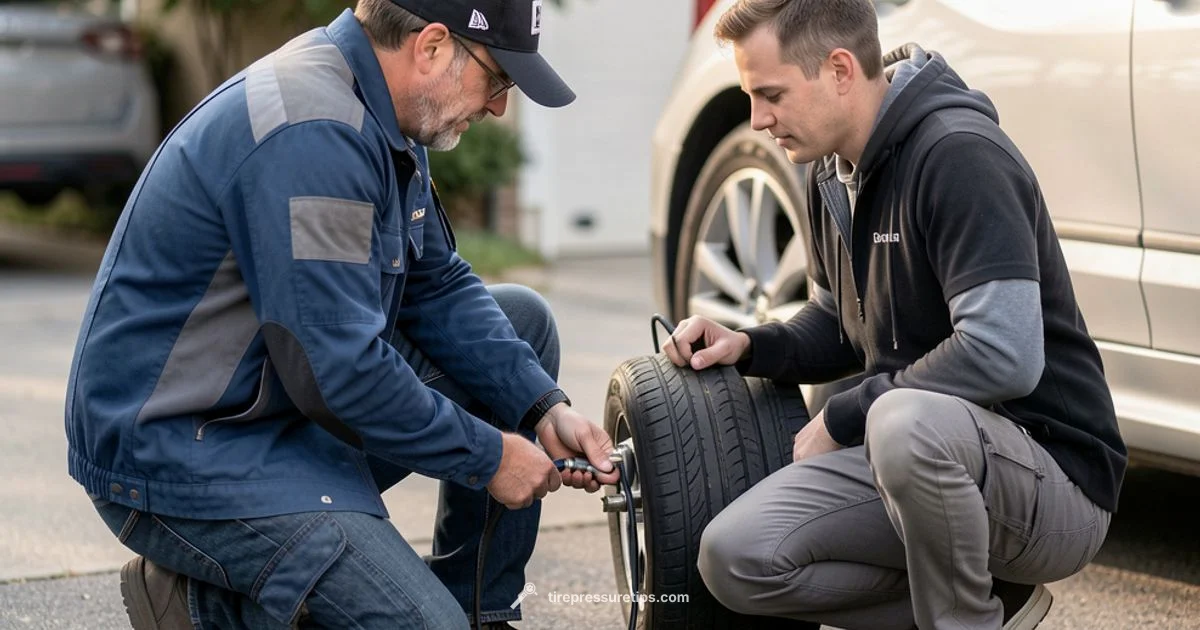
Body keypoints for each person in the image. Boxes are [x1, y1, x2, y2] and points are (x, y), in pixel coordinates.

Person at [65, 1, 619, 628]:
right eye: (498, 80)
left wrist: (542, 407)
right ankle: (204, 608)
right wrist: (490, 456)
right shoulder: (315, 134)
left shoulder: (382, 109)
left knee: (521, 321)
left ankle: (479, 613)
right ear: (432, 47)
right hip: (188, 447)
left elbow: (435, 285)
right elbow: (343, 373)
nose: (498, 107)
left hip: (277, 404)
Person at [662, 1, 1127, 628]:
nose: (757, 119)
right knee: (735, 557)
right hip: (918, 461)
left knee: (901, 421)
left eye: (771, 94)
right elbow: (840, 322)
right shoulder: (829, 171)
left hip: (1052, 482)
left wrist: (847, 413)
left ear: (839, 69)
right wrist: (750, 344)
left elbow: (1004, 352)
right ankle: (992, 602)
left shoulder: (959, 155)